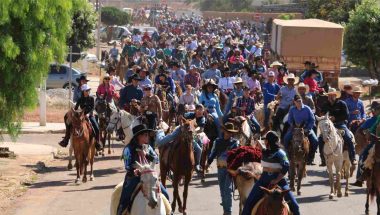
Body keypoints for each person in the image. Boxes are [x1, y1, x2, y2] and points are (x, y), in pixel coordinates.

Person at [241, 131, 300, 215]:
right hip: (263, 180)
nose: (264, 142)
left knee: (295, 206)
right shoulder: (266, 152)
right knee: (248, 203)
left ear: (268, 142)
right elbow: (262, 148)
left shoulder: (281, 153)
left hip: (279, 182)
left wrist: (276, 180)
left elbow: (286, 166)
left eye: (265, 140)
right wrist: (256, 140)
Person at [117, 124, 169, 215]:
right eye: (145, 134)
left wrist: (146, 155)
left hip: (150, 176)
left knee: (165, 193)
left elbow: (156, 160)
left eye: (148, 134)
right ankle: (120, 212)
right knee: (125, 198)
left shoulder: (148, 147)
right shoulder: (128, 149)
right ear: (138, 136)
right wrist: (135, 171)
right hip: (134, 177)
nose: (148, 136)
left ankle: (169, 211)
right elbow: (127, 165)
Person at [155, 104, 206, 172]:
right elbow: (180, 117)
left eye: (201, 109)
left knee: (199, 149)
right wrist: (181, 125)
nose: (199, 111)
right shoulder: (190, 114)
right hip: (181, 129)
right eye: (198, 109)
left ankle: (197, 164)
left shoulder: (202, 119)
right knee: (172, 136)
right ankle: (159, 140)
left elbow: (201, 129)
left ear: (203, 111)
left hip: (192, 134)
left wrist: (193, 130)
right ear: (195, 110)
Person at [206, 122, 240, 215]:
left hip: (230, 169)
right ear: (223, 131)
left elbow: (238, 157)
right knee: (222, 190)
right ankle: (225, 209)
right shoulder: (218, 142)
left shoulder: (235, 143)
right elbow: (213, 153)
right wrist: (208, 163)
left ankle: (228, 212)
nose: (228, 133)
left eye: (230, 132)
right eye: (227, 131)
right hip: (220, 168)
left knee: (227, 190)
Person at [319, 88, 357, 166]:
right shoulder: (325, 105)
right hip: (328, 126)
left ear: (336, 95)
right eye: (329, 95)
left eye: (332, 95)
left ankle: (353, 158)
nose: (330, 96)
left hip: (340, 124)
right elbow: (321, 114)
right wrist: (325, 117)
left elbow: (346, 115)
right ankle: (323, 159)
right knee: (320, 139)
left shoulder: (342, 103)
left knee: (348, 138)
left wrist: (335, 118)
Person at [283, 95, 319, 165]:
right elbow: (289, 120)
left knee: (315, 141)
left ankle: (311, 158)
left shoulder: (307, 108)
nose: (299, 102)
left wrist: (307, 128)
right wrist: (293, 126)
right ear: (294, 102)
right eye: (297, 101)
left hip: (306, 128)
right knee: (286, 139)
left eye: (300, 101)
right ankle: (288, 156)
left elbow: (312, 119)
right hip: (295, 128)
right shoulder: (292, 109)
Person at [351, 101, 380, 187]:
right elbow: (362, 130)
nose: (378, 111)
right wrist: (368, 136)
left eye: (379, 109)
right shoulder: (371, 120)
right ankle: (360, 178)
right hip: (376, 141)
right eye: (377, 109)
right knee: (363, 155)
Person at [74, 84, 102, 150]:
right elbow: (76, 108)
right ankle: (68, 138)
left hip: (90, 115)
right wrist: (76, 111)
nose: (87, 92)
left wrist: (88, 114)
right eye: (86, 90)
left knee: (97, 128)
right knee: (72, 124)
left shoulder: (91, 98)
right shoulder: (80, 99)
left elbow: (92, 107)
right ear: (83, 91)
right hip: (81, 116)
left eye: (88, 90)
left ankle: (97, 143)